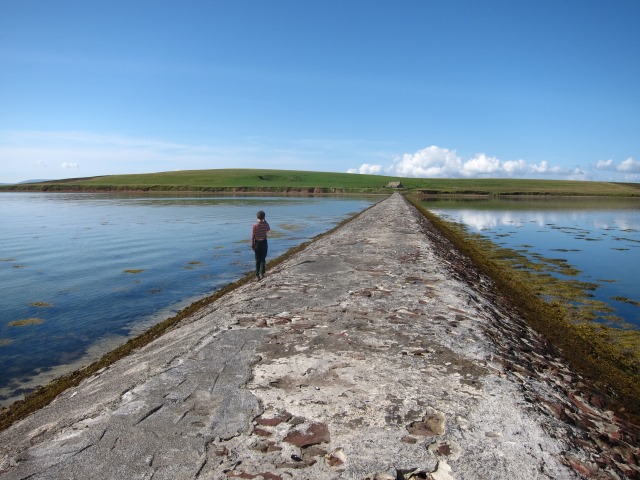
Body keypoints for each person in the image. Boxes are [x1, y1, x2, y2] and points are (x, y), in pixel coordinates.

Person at [251, 210, 270, 280]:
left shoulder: (254, 225)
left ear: (257, 217)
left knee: (257, 259)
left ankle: (257, 275)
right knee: (263, 259)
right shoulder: (265, 224)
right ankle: (262, 273)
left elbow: (253, 236)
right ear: (264, 217)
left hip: (257, 243)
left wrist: (252, 244)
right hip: (264, 242)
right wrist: (265, 221)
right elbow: (268, 229)